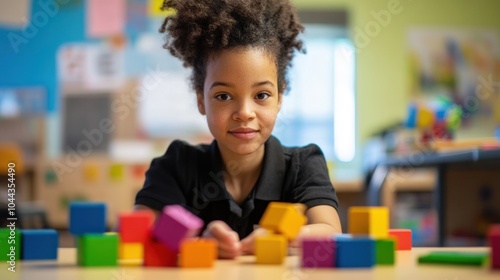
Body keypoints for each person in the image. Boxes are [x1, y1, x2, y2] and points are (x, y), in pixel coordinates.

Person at [134, 0, 342, 259]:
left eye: (262, 94)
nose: (244, 112)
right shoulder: (176, 165)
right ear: (201, 100)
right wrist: (198, 240)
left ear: (280, 98)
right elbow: (140, 229)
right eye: (223, 96)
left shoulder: (303, 164)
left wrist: (283, 237)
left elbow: (330, 231)